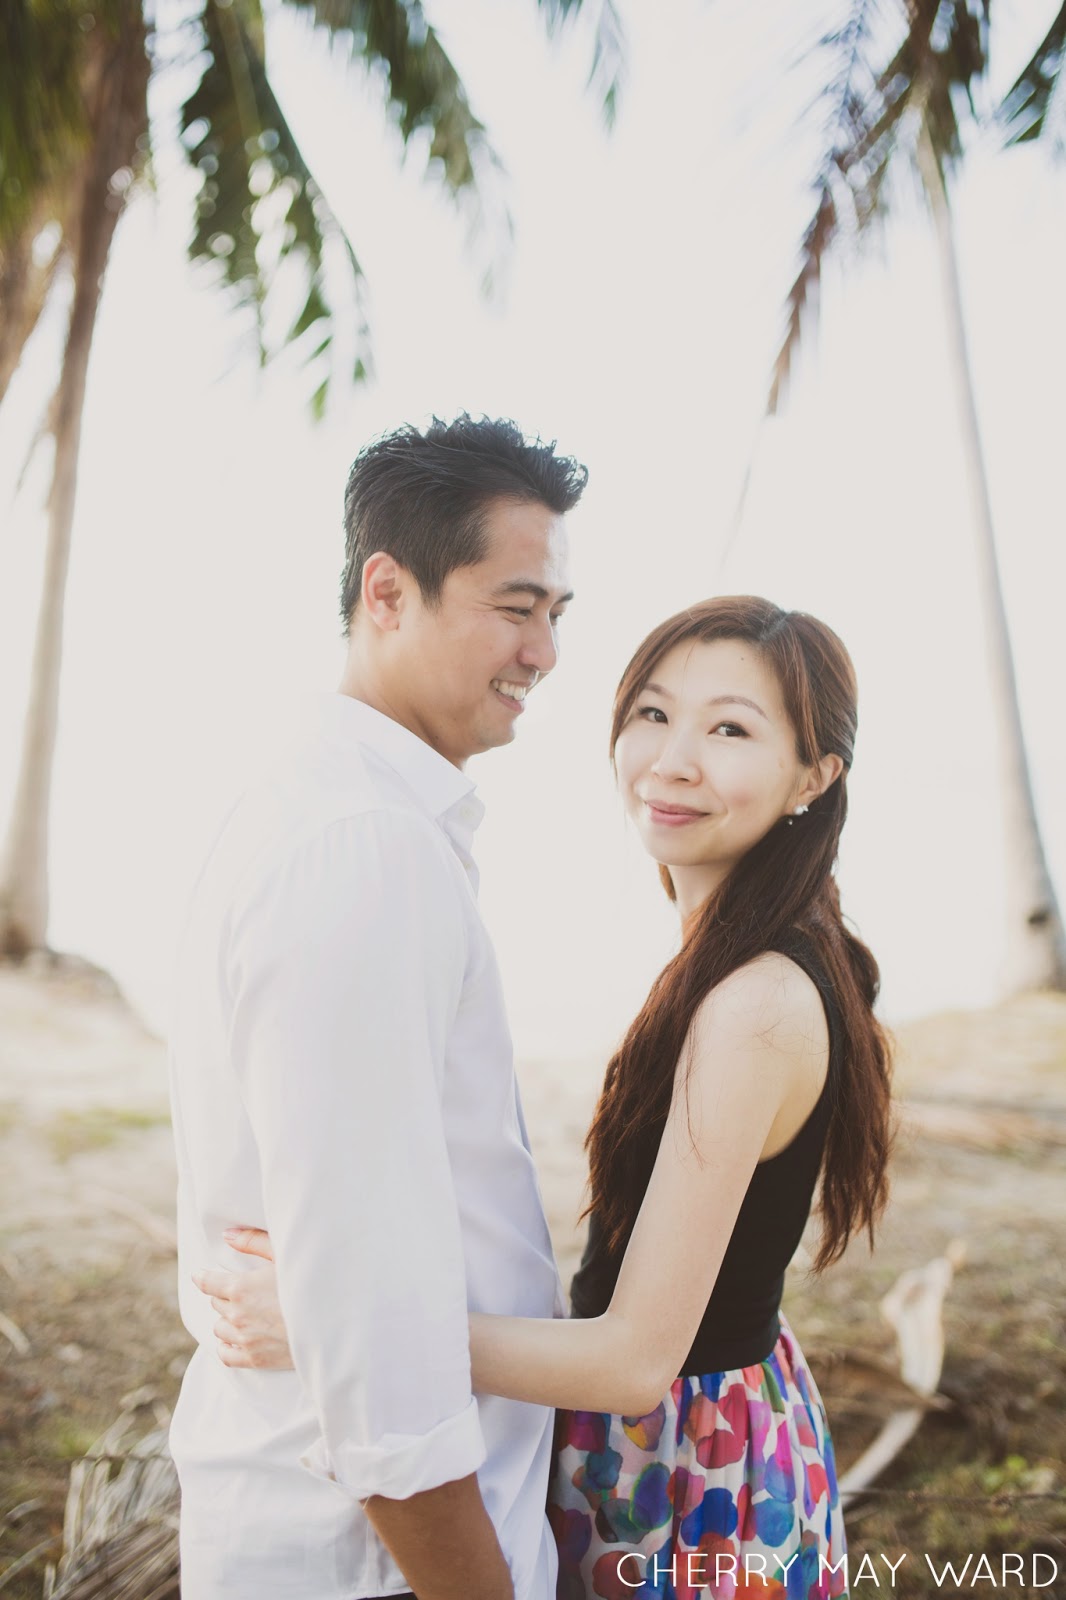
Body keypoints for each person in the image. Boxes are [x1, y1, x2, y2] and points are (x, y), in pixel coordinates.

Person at [202, 596, 895, 1600]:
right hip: (703, 1434)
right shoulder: (745, 951)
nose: (671, 759)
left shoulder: (754, 1006)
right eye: (653, 713)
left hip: (689, 1475)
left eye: (730, 729)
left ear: (813, 777)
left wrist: (329, 1320)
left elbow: (629, 1361)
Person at [168, 413, 588, 1600]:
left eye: (558, 613)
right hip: (373, 1566)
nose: (545, 651)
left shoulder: (343, 815)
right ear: (388, 592)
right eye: (516, 607)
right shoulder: (362, 847)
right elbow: (372, 1337)